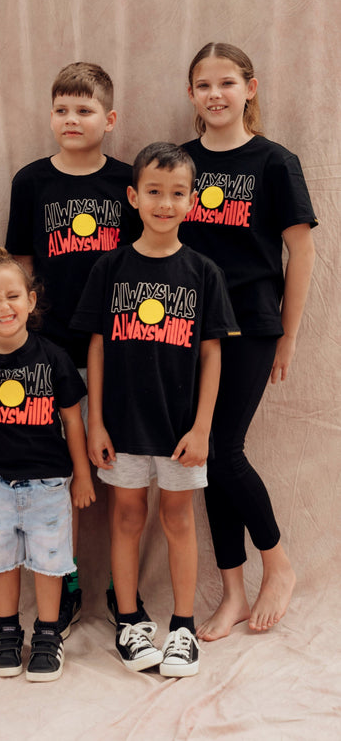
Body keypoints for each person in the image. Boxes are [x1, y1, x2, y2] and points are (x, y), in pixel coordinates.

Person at [72, 143, 240, 676]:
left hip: (179, 429)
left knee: (177, 519)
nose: (164, 203)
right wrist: (96, 419)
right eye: (154, 192)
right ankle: (127, 619)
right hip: (122, 424)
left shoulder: (204, 271)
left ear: (192, 201)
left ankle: (183, 627)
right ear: (133, 196)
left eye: (176, 193)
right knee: (125, 516)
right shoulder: (110, 266)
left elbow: (213, 353)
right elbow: (95, 346)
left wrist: (203, 427)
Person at [180, 42, 317, 641]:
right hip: (185, 325)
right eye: (204, 84)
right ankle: (232, 591)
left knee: (222, 448)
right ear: (192, 95)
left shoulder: (274, 163)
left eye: (227, 82)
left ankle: (277, 563)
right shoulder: (179, 161)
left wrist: (287, 336)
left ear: (249, 89)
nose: (216, 93)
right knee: (205, 459)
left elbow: (302, 252)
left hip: (251, 323)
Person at [5, 61, 142, 635]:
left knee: (115, 471)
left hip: (120, 344)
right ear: (50, 115)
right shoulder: (31, 181)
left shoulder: (128, 181)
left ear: (109, 119)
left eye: (84, 110)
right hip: (52, 345)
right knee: (59, 471)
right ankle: (67, 582)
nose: (71, 119)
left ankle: (120, 586)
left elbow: (148, 256)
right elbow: (21, 264)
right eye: (61, 109)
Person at [0, 248, 95, 682]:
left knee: (51, 562)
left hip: (49, 482)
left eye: (12, 296)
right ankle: (8, 632)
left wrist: (82, 475)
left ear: (31, 301)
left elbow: (73, 420)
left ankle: (49, 634)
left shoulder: (53, 358)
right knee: (2, 561)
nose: (3, 307)